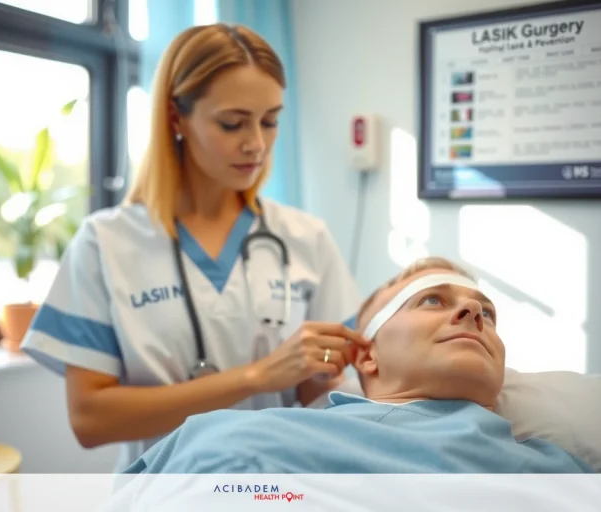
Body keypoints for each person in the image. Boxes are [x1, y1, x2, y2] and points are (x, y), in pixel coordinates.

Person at [19, 22, 365, 473]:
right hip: (165, 489)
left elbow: (327, 386)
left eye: (270, 120)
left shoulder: (305, 238)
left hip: (279, 485)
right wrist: (255, 377)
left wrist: (323, 380)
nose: (256, 144)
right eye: (232, 122)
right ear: (175, 117)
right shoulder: (106, 244)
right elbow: (90, 419)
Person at [121, 257, 595, 474]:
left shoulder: (563, 471)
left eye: (488, 313)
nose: (473, 314)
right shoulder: (238, 441)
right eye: (431, 300)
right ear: (367, 355)